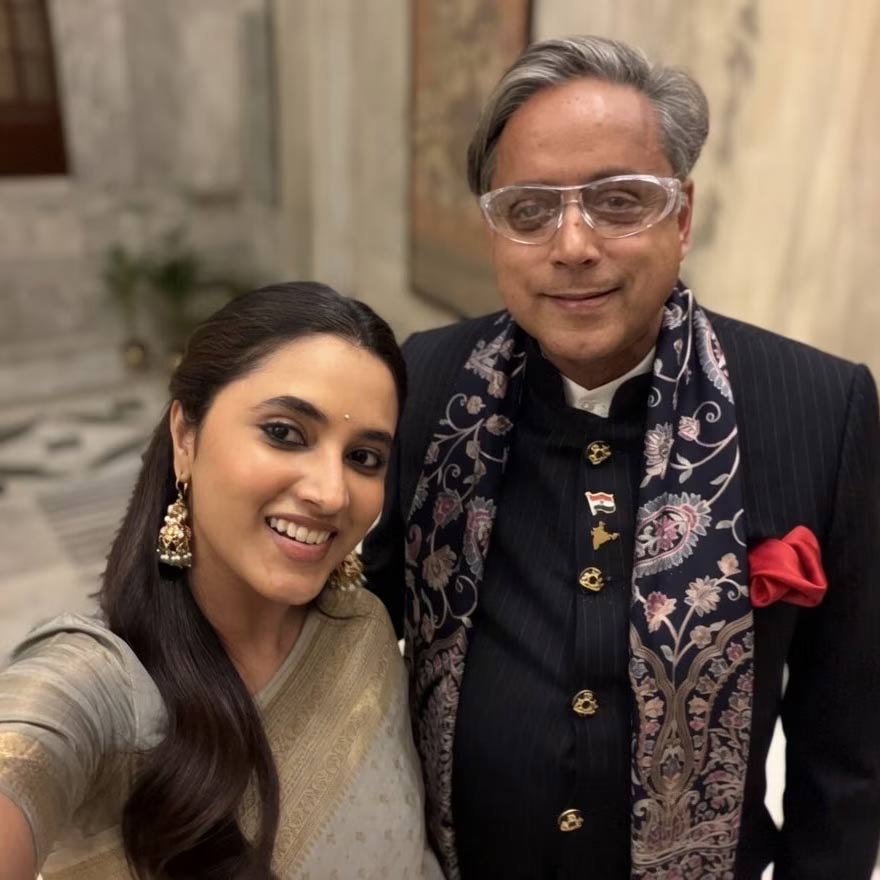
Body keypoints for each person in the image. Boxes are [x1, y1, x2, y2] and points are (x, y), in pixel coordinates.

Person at [362, 35, 880, 880]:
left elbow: (847, 745)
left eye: (618, 201)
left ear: (682, 216)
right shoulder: (426, 380)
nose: (572, 245)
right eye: (530, 210)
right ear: (494, 230)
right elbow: (351, 621)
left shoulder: (821, 406)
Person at [0, 282, 444, 880]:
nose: (331, 493)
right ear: (186, 436)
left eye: (364, 457)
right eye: (284, 432)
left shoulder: (362, 629)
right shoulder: (98, 688)